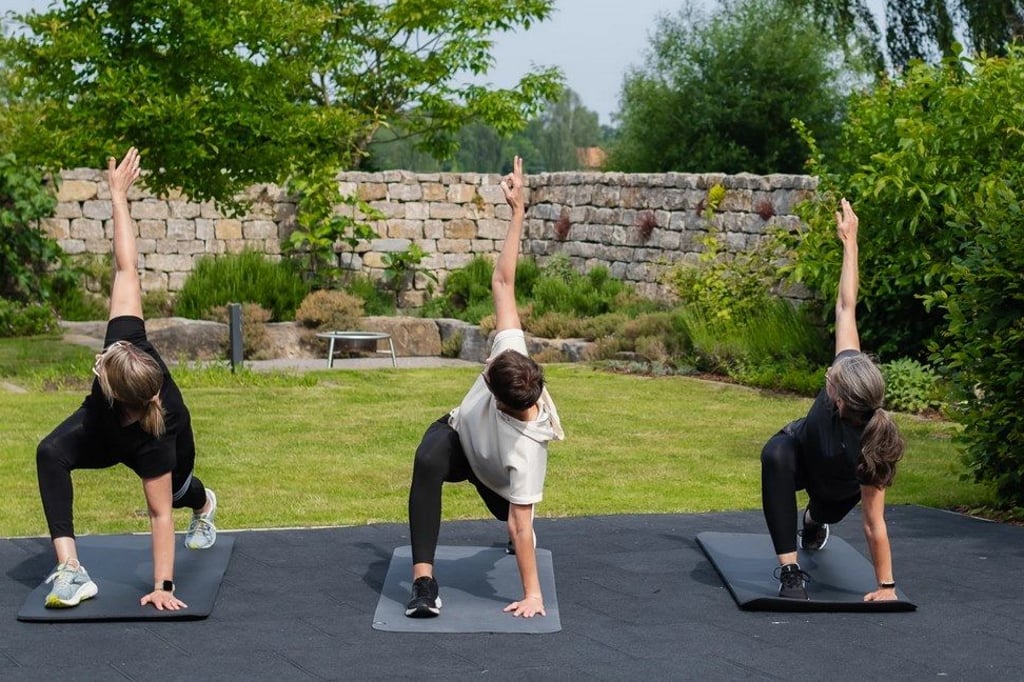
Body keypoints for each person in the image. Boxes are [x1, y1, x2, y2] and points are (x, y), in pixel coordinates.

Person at [35, 147, 218, 610]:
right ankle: (71, 570)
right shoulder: (125, 338)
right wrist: (117, 197)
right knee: (50, 453)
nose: (99, 363)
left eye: (100, 370)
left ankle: (204, 506)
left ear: (115, 391)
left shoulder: (159, 432)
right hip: (102, 430)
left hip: (155, 442)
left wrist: (163, 586)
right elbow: (126, 266)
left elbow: (157, 516)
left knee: (175, 496)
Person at [405, 155, 564, 619]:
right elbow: (503, 281)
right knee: (428, 455)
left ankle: (528, 567)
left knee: (519, 529)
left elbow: (517, 522)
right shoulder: (511, 357)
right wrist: (517, 213)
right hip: (461, 440)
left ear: (500, 399)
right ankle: (423, 582)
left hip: (497, 476)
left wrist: (533, 596)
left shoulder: (528, 452)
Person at [760, 198, 905, 601]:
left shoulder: (873, 449)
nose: (828, 376)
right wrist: (850, 243)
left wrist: (886, 587)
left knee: (824, 512)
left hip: (834, 490)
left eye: (830, 381)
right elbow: (846, 305)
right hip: (801, 456)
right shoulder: (850, 365)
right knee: (775, 454)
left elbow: (874, 523)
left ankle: (813, 521)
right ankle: (790, 571)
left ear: (840, 400)